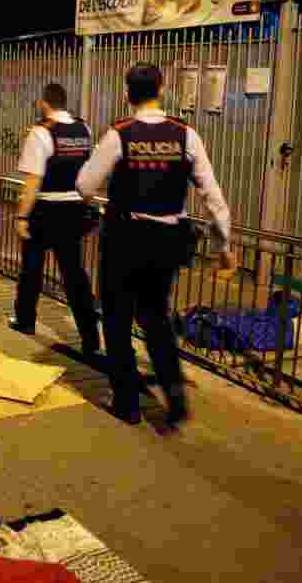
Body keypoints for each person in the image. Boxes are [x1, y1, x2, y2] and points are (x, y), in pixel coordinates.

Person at [75, 62, 236, 432]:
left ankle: (127, 403)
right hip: (167, 240)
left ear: (128, 93)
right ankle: (175, 396)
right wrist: (223, 244)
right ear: (161, 89)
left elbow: (85, 185)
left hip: (125, 237)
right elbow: (212, 195)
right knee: (156, 318)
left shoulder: (119, 134)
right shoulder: (186, 135)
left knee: (116, 319)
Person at [7, 83, 100, 360]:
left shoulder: (41, 132)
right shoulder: (85, 129)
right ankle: (90, 337)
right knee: (74, 275)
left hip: (45, 209)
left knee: (31, 269)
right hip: (74, 208)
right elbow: (89, 171)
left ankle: (25, 320)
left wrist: (22, 216)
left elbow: (33, 181)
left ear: (44, 103)